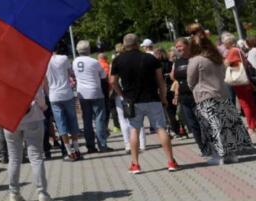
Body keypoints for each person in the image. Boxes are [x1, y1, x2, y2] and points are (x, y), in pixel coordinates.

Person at [110, 34, 178, 174]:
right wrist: (163, 98)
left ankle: (135, 164)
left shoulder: (118, 60)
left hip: (132, 100)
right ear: (137, 44)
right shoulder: (150, 58)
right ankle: (171, 162)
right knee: (160, 129)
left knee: (134, 130)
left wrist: (122, 95)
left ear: (124, 45)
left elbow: (112, 81)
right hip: (152, 98)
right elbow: (160, 80)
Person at [187, 27, 252, 164]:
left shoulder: (195, 60)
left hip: (205, 96)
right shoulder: (217, 58)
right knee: (227, 125)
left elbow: (190, 81)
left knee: (212, 127)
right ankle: (231, 154)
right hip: (222, 93)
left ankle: (219, 156)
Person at [3, 85, 54, 201]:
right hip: (33, 116)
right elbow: (39, 96)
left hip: (9, 117)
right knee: (36, 157)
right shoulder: (29, 74)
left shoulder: (2, 76)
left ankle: (14, 193)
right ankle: (42, 194)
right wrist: (44, 107)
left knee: (14, 158)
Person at [171, 37, 210, 156]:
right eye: (177, 47)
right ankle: (203, 149)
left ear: (188, 45)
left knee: (203, 122)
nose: (178, 48)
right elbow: (175, 79)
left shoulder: (195, 58)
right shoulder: (177, 61)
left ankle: (210, 146)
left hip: (198, 96)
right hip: (184, 98)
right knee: (192, 124)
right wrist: (176, 95)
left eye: (180, 46)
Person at [46, 44, 82, 161]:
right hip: (67, 93)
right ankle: (77, 149)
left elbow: (44, 80)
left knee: (61, 124)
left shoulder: (44, 61)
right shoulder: (64, 58)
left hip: (54, 95)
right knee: (73, 121)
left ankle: (69, 152)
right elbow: (71, 73)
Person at [221, 33, 256, 135]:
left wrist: (224, 61)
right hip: (245, 79)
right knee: (251, 103)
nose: (223, 45)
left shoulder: (232, 51)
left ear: (229, 42)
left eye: (224, 42)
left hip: (239, 81)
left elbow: (228, 64)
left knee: (245, 105)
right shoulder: (239, 50)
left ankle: (252, 127)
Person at [74, 40, 110, 153]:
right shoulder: (94, 62)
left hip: (82, 93)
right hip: (95, 92)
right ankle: (102, 145)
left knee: (87, 120)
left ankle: (90, 146)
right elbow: (103, 76)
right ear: (88, 50)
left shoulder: (74, 61)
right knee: (99, 119)